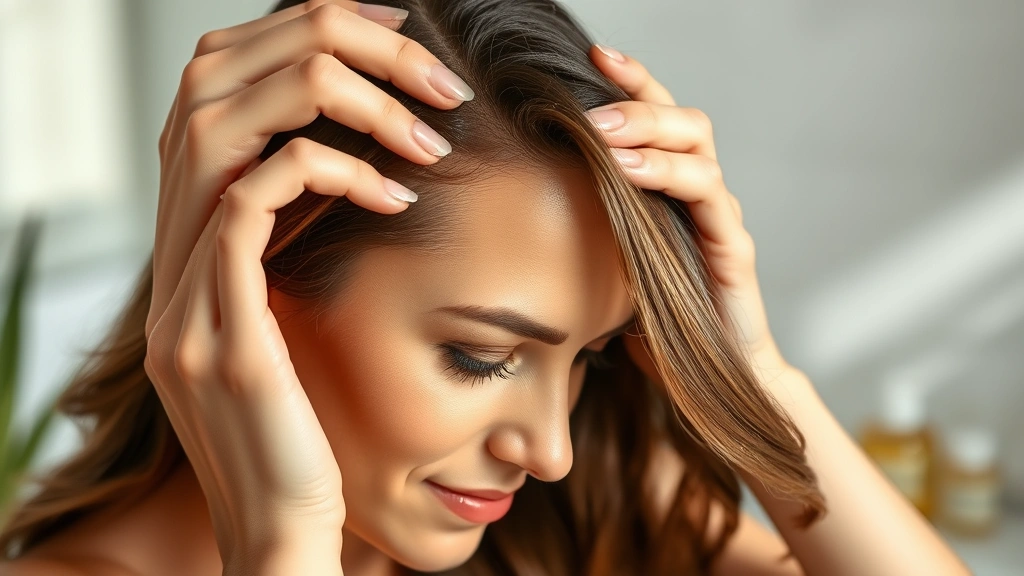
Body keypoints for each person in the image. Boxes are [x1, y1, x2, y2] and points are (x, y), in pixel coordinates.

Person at [0, 1, 970, 574]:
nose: (545, 449)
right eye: (482, 356)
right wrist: (282, 545)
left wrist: (750, 370)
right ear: (254, 287)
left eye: (585, 355)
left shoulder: (588, 510)